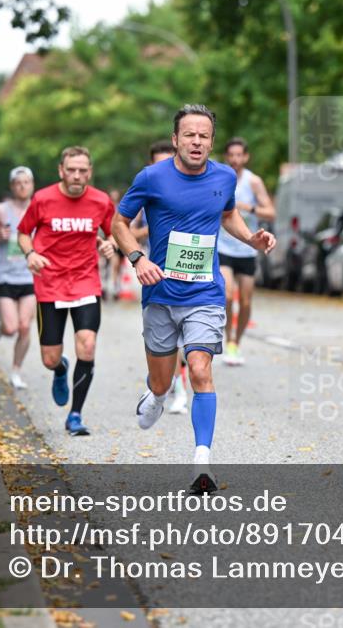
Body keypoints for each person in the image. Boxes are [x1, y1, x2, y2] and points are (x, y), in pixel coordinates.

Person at [112, 104, 276, 494]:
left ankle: (202, 463)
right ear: (175, 140)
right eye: (189, 135)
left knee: (200, 370)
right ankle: (157, 394)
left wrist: (250, 238)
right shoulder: (151, 177)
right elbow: (119, 223)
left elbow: (228, 215)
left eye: (204, 136)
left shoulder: (224, 176)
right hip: (160, 293)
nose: (196, 142)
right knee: (162, 380)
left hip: (205, 292)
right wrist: (138, 259)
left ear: (212, 142)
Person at [17, 146, 116, 436]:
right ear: (61, 170)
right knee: (49, 358)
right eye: (71, 170)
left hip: (85, 281)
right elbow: (23, 233)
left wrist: (111, 243)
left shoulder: (101, 201)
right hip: (50, 284)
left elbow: (115, 231)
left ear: (90, 172)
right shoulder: (42, 199)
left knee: (87, 345)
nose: (76, 175)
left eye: (82, 170)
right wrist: (30, 254)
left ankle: (75, 415)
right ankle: (60, 369)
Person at [140, 140, 190, 415]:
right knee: (166, 342)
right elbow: (125, 227)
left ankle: (178, 391)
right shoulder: (146, 191)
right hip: (158, 276)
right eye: (158, 164)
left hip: (191, 275)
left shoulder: (190, 189)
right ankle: (164, 386)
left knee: (186, 341)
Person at [217, 137, 275, 366]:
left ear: (246, 157)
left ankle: (236, 342)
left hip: (247, 249)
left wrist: (248, 208)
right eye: (231, 155)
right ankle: (228, 337)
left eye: (239, 155)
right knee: (227, 295)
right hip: (223, 246)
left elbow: (270, 212)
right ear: (226, 157)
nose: (235, 159)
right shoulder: (220, 177)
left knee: (246, 302)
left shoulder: (253, 181)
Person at [0, 166, 37, 390]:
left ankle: (16, 371)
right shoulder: (1, 210)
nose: (22, 186)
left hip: (30, 275)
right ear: (12, 186)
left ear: (32, 185)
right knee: (11, 328)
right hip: (4, 276)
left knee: (24, 327)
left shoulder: (40, 207)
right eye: (18, 183)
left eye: (26, 182)